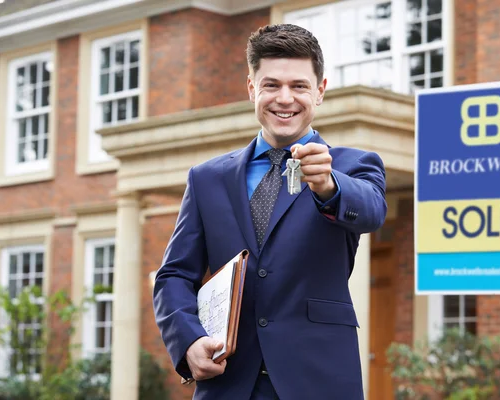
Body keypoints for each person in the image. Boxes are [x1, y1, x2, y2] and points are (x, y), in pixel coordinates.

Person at [153, 24, 387, 400]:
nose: (285, 98)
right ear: (251, 89)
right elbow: (174, 275)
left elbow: (373, 211)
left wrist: (329, 185)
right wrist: (188, 340)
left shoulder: (352, 167)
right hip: (229, 382)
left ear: (320, 91)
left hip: (319, 381)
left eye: (298, 86)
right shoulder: (206, 179)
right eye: (271, 85)